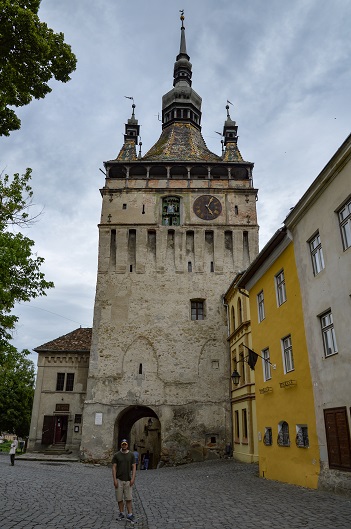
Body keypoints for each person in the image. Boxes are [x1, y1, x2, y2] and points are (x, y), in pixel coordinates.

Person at [112, 439, 137, 524]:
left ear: (127, 445)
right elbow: (114, 467)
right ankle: (121, 513)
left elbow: (134, 467)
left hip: (128, 480)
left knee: (128, 498)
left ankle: (130, 514)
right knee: (119, 498)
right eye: (123, 444)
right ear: (121, 445)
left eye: (125, 444)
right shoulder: (116, 455)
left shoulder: (131, 455)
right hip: (119, 479)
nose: (124, 445)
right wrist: (114, 479)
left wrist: (133, 478)